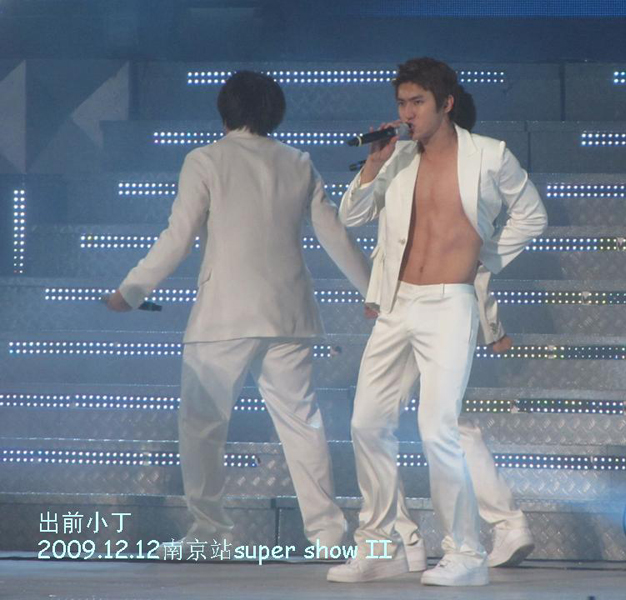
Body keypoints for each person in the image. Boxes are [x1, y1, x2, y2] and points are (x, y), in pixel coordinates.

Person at [105, 70, 370, 553]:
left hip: (224, 314)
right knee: (302, 424)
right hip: (288, 313)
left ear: (224, 110)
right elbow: (334, 234)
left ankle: (210, 531)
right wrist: (374, 291)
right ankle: (328, 535)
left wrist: (132, 290)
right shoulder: (298, 161)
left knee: (203, 426)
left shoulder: (205, 159)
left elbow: (178, 236)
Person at [327, 57, 547, 586]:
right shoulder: (398, 158)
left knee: (438, 428)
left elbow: (533, 214)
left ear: (445, 103)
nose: (408, 113)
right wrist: (373, 166)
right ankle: (380, 546)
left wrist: (484, 260)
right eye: (402, 103)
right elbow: (351, 216)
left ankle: (465, 553)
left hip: (449, 303)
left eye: (418, 102)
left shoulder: (489, 155)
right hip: (397, 303)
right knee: (366, 423)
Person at [393, 266, 536, 573]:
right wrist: (491, 324)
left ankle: (403, 539)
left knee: (379, 421)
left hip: (409, 304)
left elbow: (472, 259)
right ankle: (508, 523)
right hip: (447, 306)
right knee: (448, 422)